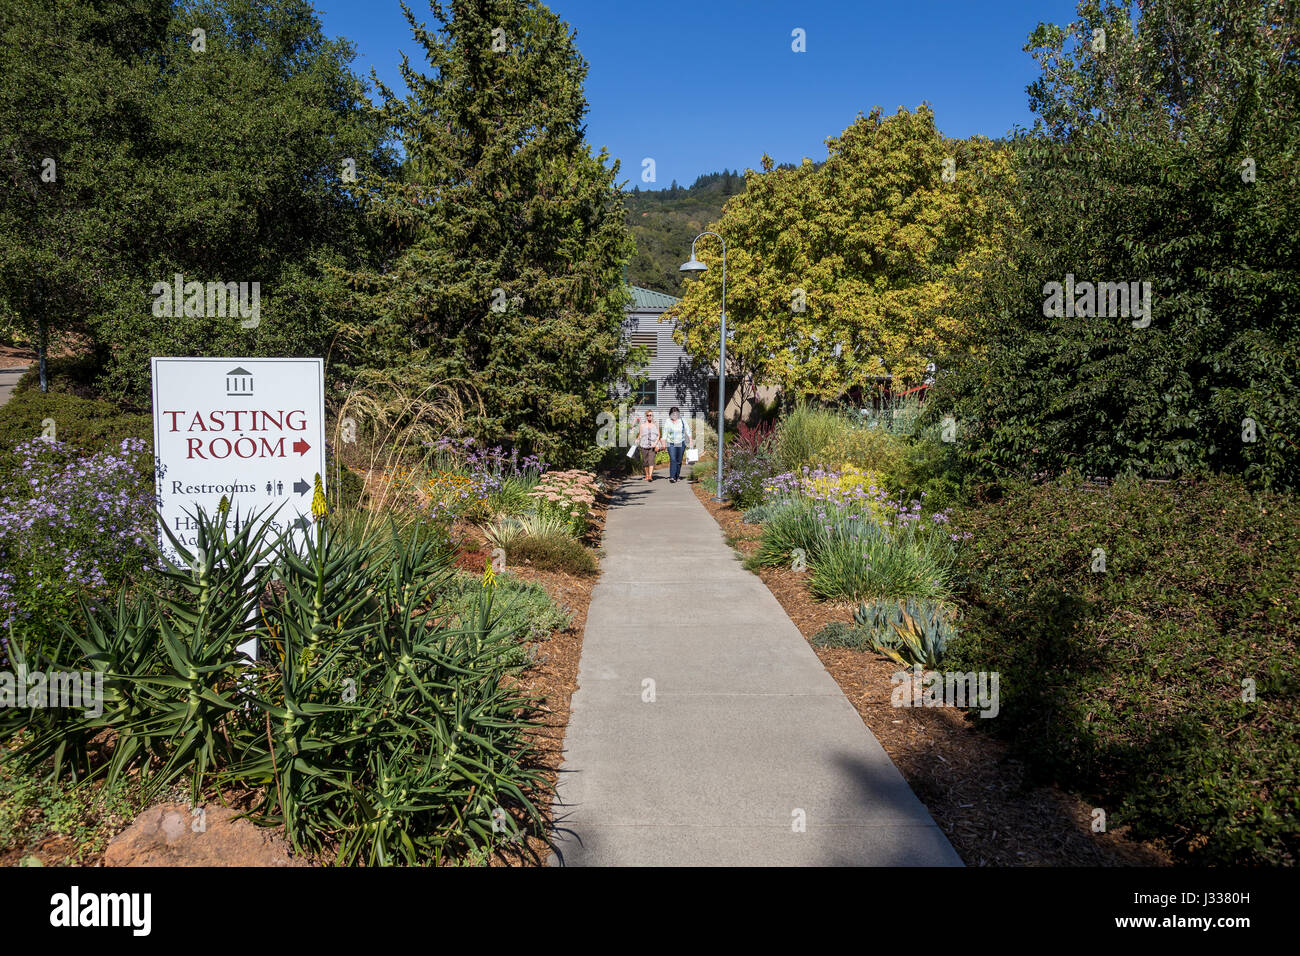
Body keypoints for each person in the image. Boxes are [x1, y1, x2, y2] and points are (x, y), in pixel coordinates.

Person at [662, 407, 694, 483]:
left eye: (676, 414)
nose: (675, 416)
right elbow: (665, 432)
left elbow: (688, 431)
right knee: (673, 459)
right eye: (673, 414)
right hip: (671, 443)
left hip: (681, 443)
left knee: (679, 460)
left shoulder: (682, 420)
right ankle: (672, 477)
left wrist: (691, 441)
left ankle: (677, 476)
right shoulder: (668, 421)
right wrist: (663, 441)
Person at [632, 410, 661, 482]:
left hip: (652, 445)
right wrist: (637, 439)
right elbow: (640, 434)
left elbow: (658, 435)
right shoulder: (642, 425)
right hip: (643, 445)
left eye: (651, 415)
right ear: (646, 416)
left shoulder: (656, 425)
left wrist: (656, 443)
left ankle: (650, 476)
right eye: (648, 415)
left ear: (652, 416)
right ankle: (647, 475)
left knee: (651, 461)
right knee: (645, 462)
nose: (649, 417)